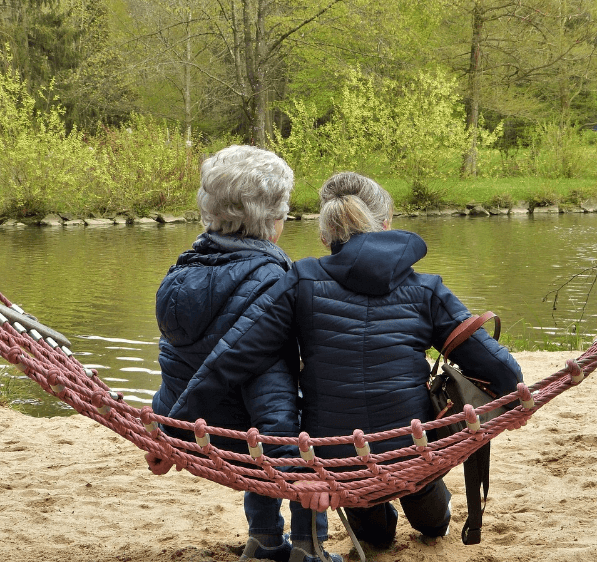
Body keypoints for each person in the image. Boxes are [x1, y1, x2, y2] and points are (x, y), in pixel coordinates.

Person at [170, 171, 524, 551]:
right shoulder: (427, 289)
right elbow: (501, 369)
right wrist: (514, 400)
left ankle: (381, 514)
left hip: (337, 461)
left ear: (325, 235)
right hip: (413, 447)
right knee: (428, 506)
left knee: (375, 534)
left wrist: (173, 430)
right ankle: (430, 512)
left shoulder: (300, 280)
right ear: (386, 223)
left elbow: (234, 356)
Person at [148, 145, 340, 562]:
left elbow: (182, 362)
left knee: (257, 418)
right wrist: (294, 470)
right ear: (274, 221)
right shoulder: (275, 282)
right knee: (314, 411)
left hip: (197, 427)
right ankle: (309, 546)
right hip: (249, 436)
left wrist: (168, 430)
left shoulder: (180, 272)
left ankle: (265, 536)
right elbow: (272, 394)